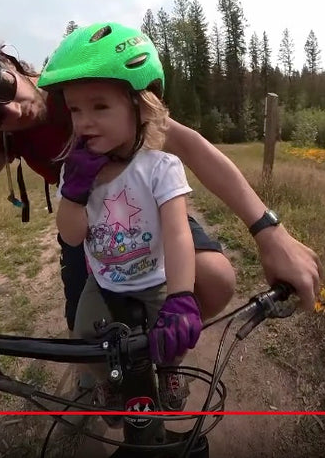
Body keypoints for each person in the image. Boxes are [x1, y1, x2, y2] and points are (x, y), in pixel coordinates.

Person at [0, 17, 322, 404]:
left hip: (145, 205)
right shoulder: (3, 135)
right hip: (89, 226)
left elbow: (193, 148)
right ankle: (118, 366)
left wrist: (268, 231)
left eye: (2, 89)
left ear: (5, 60)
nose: (9, 111)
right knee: (87, 331)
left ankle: (166, 355)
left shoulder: (76, 84)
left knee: (213, 277)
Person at [40, 22, 202, 414]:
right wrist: (75, 194)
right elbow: (72, 237)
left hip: (155, 281)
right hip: (105, 282)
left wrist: (181, 298)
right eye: (75, 109)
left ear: (140, 106)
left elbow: (179, 234)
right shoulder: (76, 172)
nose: (84, 121)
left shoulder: (161, 167)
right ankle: (107, 384)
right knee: (84, 338)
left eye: (99, 106)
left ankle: (169, 372)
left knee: (170, 340)